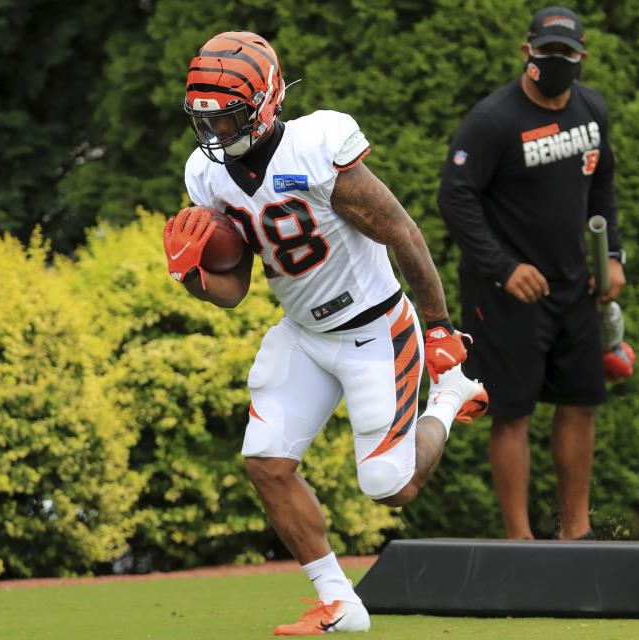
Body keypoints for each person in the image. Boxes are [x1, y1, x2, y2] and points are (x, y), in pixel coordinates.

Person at [164, 31, 489, 635]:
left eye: (227, 115)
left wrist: (441, 327)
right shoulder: (206, 177)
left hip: (374, 328)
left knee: (390, 488)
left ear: (265, 102)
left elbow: (403, 232)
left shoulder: (315, 147)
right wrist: (190, 275)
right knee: (265, 462)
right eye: (204, 118)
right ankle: (341, 601)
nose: (214, 132)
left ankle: (450, 397)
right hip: (303, 333)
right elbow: (233, 295)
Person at [436, 6, 626, 541]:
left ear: (581, 57)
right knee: (512, 412)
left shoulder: (592, 109)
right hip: (507, 293)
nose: (556, 61)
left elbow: (603, 187)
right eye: (546, 52)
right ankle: (520, 541)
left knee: (581, 403)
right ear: (528, 52)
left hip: (575, 287)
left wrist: (611, 256)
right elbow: (455, 197)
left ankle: (576, 533)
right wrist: (502, 267)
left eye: (567, 54)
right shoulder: (493, 120)